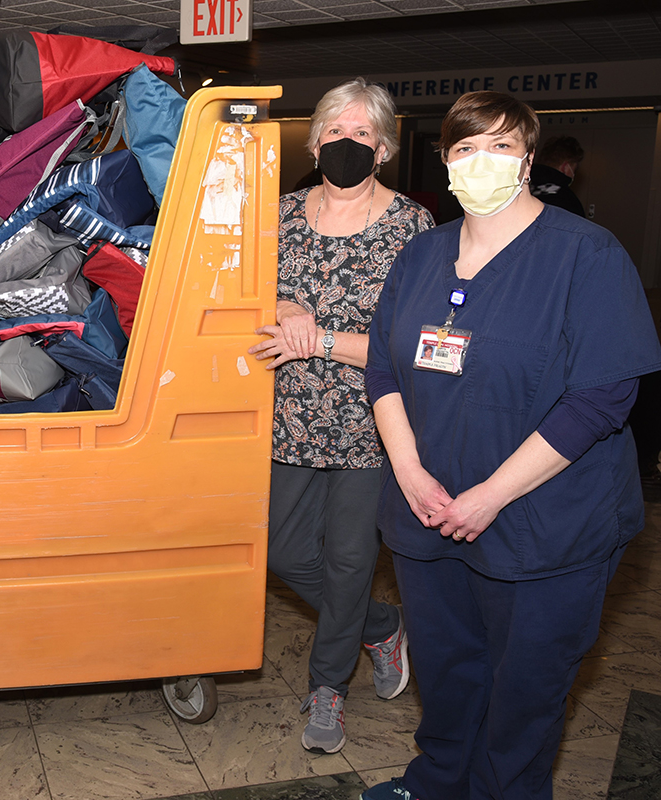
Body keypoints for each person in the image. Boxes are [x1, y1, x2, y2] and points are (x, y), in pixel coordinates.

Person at [362, 92, 661, 800]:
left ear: (528, 160)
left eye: (499, 146)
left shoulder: (585, 254)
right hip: (429, 513)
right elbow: (383, 367)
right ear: (444, 161)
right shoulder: (422, 255)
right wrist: (407, 469)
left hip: (544, 525)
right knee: (446, 670)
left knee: (524, 688)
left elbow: (603, 396)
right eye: (464, 148)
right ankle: (437, 781)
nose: (481, 162)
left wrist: (493, 495)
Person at [247, 77, 434, 754]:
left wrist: (321, 338)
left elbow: (412, 342)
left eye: (362, 134)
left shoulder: (414, 227)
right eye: (334, 131)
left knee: (352, 559)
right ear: (314, 139)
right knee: (283, 550)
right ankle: (382, 625)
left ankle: (328, 686)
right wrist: (281, 307)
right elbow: (237, 292)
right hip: (284, 415)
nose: (346, 143)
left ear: (384, 148)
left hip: (371, 422)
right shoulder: (278, 213)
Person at [529, 135, 585, 217]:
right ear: (565, 167)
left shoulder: (524, 189)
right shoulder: (567, 200)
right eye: (574, 169)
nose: (574, 174)